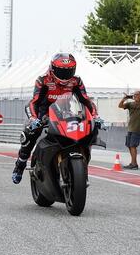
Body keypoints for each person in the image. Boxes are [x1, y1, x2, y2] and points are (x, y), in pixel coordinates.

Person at [12, 53, 104, 184]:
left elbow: (86, 100)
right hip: (44, 113)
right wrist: (33, 118)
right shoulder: (43, 80)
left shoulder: (76, 81)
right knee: (30, 133)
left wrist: (95, 116)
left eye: (69, 71)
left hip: (67, 111)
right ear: (53, 68)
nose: (65, 75)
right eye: (61, 71)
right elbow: (34, 102)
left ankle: (83, 167)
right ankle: (20, 165)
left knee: (91, 129)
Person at [118, 91, 140, 169]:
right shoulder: (130, 104)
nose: (136, 96)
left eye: (137, 95)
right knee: (129, 145)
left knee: (133, 146)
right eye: (135, 95)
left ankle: (134, 164)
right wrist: (124, 99)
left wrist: (139, 101)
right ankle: (133, 163)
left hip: (137, 129)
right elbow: (120, 106)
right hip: (130, 128)